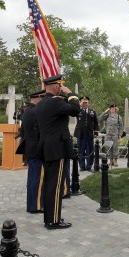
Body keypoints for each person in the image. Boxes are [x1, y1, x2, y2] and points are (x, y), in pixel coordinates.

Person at [34, 74, 79, 230]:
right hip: (57, 149)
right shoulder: (54, 103)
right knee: (56, 185)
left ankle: (51, 218)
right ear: (55, 87)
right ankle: (53, 221)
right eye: (60, 86)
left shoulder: (40, 104)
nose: (61, 88)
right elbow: (75, 110)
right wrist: (71, 94)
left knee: (50, 184)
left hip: (47, 148)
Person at [17, 89, 45, 213]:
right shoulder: (36, 112)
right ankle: (37, 205)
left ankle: (32, 204)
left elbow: (22, 131)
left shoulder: (27, 111)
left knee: (32, 178)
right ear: (38, 98)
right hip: (37, 150)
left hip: (30, 149)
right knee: (37, 179)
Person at [73, 96, 98, 171]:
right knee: (81, 150)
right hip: (80, 134)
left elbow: (96, 123)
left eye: (86, 102)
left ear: (88, 103)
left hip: (89, 134)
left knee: (89, 150)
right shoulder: (78, 111)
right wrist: (79, 106)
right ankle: (82, 166)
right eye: (83, 103)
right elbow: (73, 112)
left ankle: (89, 166)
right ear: (81, 103)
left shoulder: (92, 112)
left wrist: (96, 132)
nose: (85, 104)